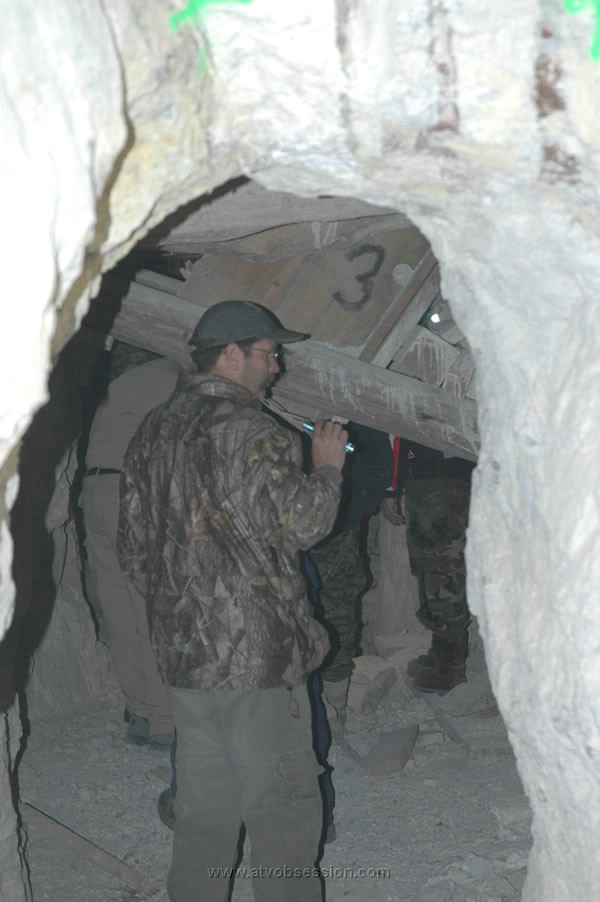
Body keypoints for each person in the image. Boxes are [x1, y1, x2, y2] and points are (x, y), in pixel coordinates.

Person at [117, 300, 348, 902]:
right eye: (269, 354)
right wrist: (327, 470)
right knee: (284, 811)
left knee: (204, 811)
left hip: (187, 660)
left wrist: (186, 609)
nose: (277, 366)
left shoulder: (153, 430)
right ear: (230, 354)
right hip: (258, 660)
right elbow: (302, 527)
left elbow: (134, 553)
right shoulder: (252, 430)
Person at [80, 355, 181, 747]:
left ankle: (139, 710)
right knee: (151, 610)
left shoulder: (126, 380)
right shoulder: (170, 377)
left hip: (95, 489)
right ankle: (163, 720)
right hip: (130, 492)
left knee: (118, 609)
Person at [309, 423, 393, 735]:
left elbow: (377, 459)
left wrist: (349, 511)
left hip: (335, 525)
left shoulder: (348, 409)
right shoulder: (273, 401)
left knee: (336, 615)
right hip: (282, 527)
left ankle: (335, 707)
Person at [382, 437, 474, 693]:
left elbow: (400, 429)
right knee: (441, 569)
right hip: (454, 466)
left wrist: (392, 485)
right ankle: (443, 653)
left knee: (441, 570)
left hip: (436, 471)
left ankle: (449, 667)